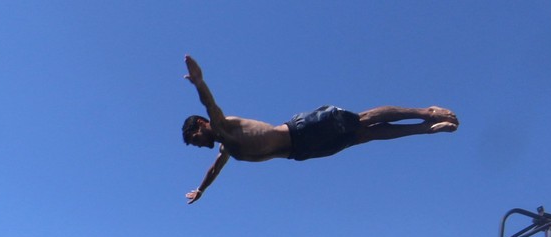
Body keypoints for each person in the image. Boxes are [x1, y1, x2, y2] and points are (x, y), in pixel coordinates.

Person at [180, 55, 457, 204]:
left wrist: (199, 83)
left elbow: (210, 104)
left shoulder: (221, 125)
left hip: (303, 130)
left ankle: (425, 112)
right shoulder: (226, 147)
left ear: (202, 125)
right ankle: (426, 129)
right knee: (365, 136)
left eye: (195, 138)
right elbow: (214, 169)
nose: (198, 144)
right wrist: (201, 190)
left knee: (364, 119)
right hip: (303, 151)